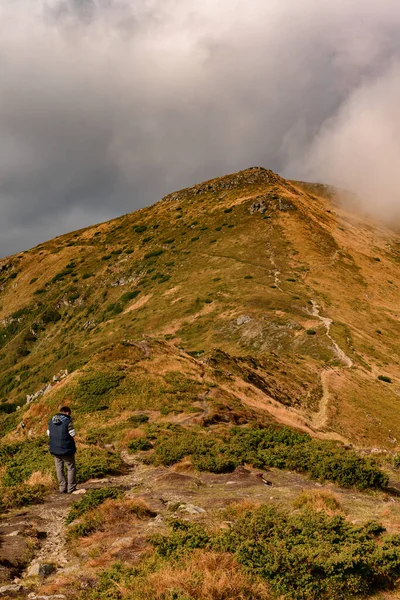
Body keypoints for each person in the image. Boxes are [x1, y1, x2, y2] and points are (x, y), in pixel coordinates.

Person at [47, 406, 77, 493]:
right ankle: (71, 488)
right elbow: (73, 434)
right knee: (71, 468)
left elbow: (48, 433)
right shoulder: (67, 421)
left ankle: (62, 488)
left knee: (59, 469)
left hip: (55, 450)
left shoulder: (51, 421)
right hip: (67, 449)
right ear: (67, 412)